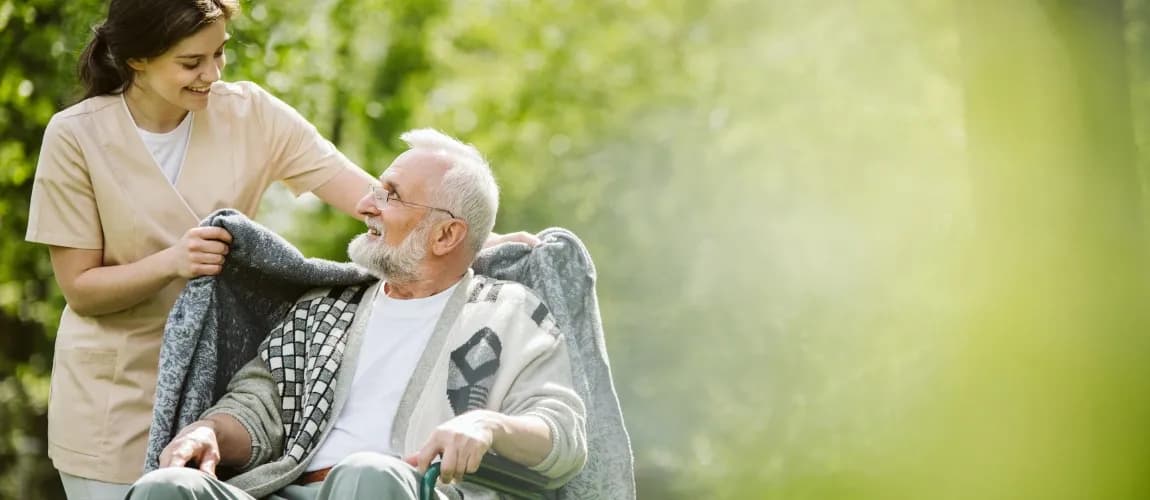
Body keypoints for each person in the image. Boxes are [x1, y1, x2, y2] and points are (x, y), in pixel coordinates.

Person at [24, 2, 531, 498]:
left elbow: (370, 198)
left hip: (223, 391)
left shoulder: (251, 114)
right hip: (114, 399)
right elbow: (81, 289)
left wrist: (477, 237)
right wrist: (172, 263)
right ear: (137, 59)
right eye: (191, 63)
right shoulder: (76, 137)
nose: (212, 74)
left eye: (219, 53)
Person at [125, 128, 587, 500]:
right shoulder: (326, 308)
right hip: (289, 491)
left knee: (365, 475)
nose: (366, 205)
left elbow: (562, 433)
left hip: (412, 490)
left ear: (446, 235)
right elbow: (256, 409)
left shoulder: (510, 314)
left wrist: (487, 425)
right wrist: (208, 431)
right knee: (168, 488)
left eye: (390, 194)